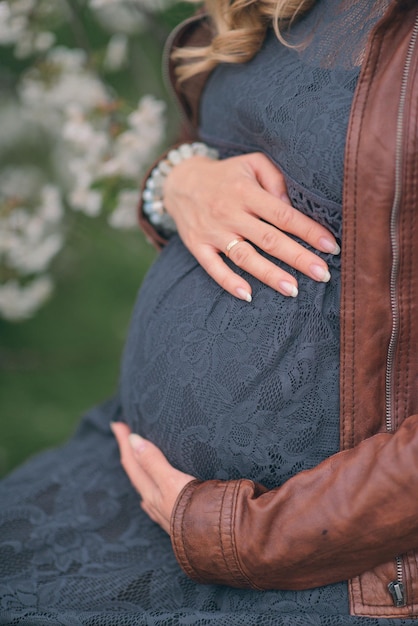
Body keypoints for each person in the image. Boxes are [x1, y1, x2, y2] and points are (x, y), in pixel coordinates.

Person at [1, 0, 418, 624]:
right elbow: (233, 146)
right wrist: (182, 180)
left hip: (312, 551)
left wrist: (235, 533)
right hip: (132, 469)